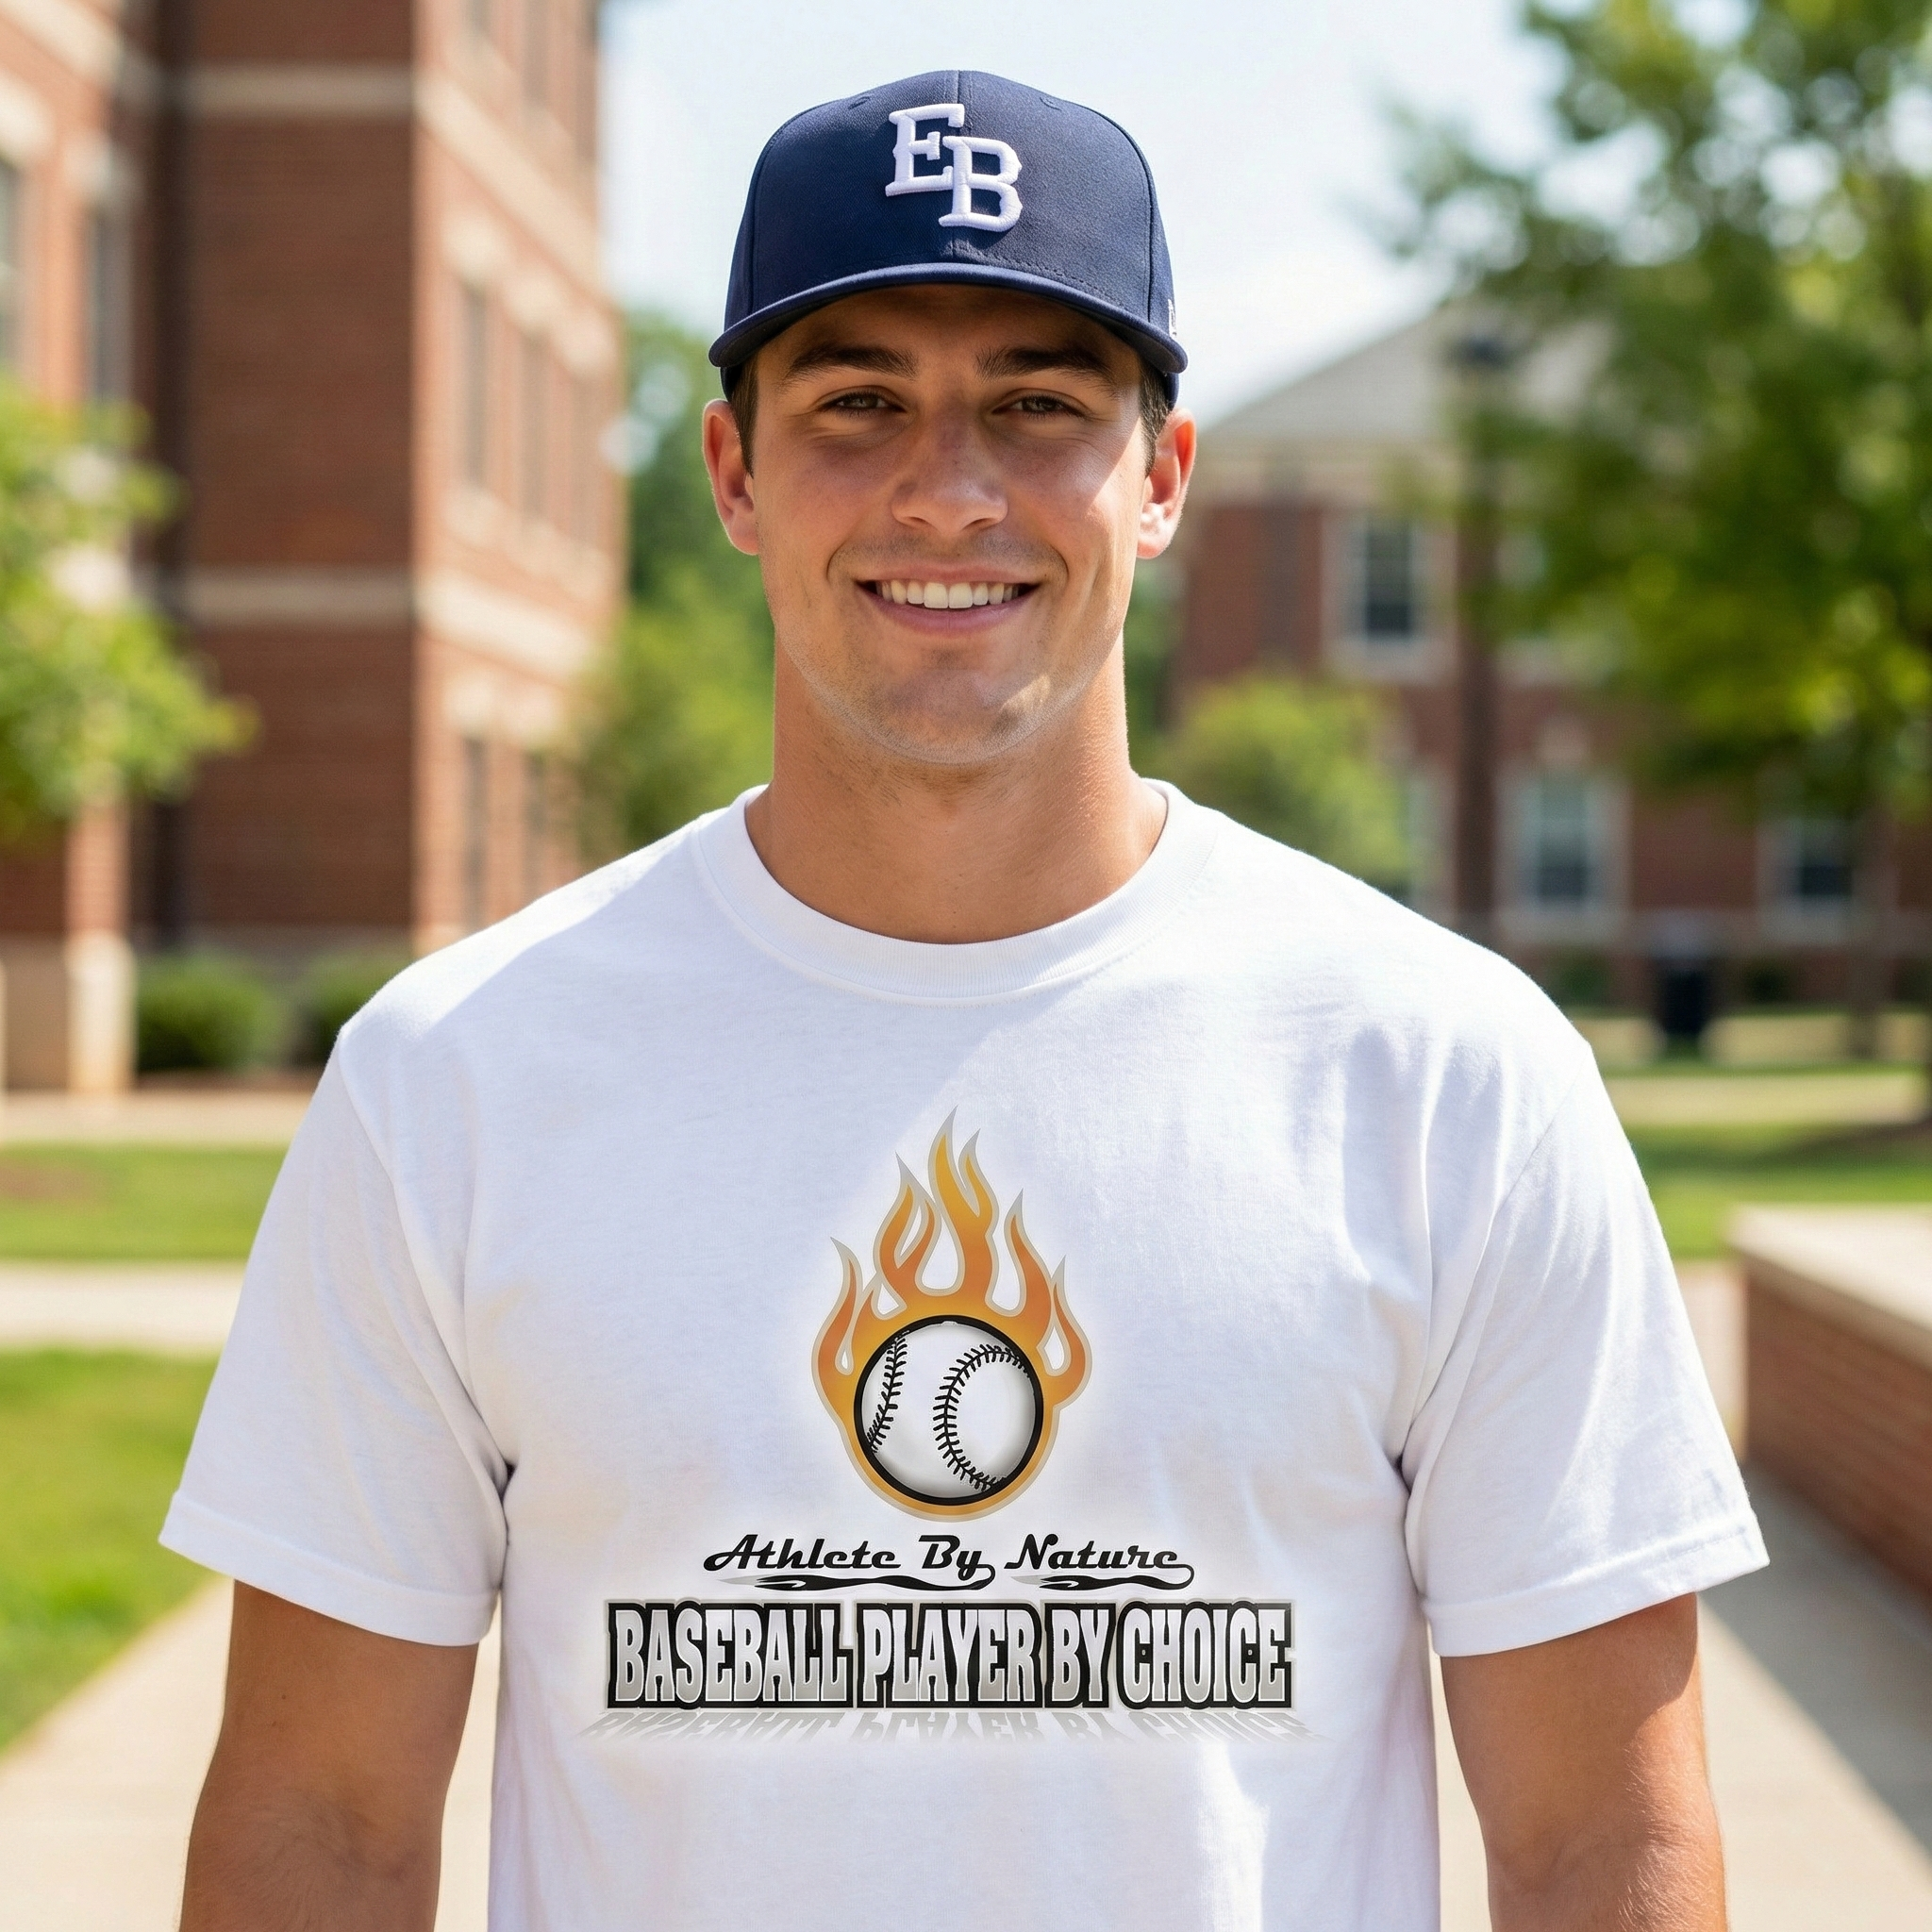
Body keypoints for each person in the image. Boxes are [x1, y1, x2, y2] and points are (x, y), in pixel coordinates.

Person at [168, 69, 1764, 1932]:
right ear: (732, 475)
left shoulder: (1443, 1075)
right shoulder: (460, 1079)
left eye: (1038, 405)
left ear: (1158, 477)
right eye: (858, 405)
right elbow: (322, 1824)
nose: (949, 487)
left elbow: (1602, 1840)